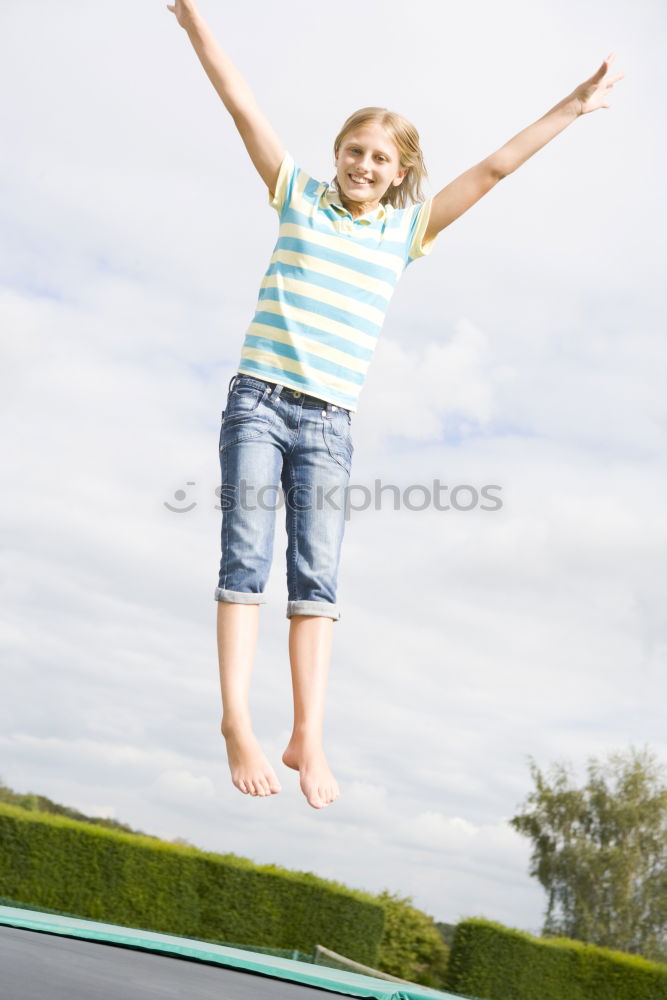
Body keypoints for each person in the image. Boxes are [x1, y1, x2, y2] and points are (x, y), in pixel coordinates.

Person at [167, 0, 624, 809]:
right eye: (354, 150)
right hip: (260, 405)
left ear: (401, 170)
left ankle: (309, 730)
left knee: (318, 578)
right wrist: (194, 20)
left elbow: (492, 169)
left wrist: (571, 107)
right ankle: (236, 719)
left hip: (330, 423)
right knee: (244, 557)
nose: (364, 165)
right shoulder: (295, 195)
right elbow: (239, 101)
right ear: (335, 153)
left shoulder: (406, 234)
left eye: (381, 157)